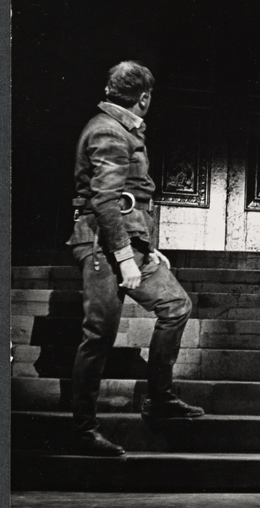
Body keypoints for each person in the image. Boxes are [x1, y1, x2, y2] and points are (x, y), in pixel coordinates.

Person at [67, 60, 204, 457]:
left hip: (126, 240)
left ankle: (159, 400)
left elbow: (130, 200)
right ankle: (83, 429)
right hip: (100, 244)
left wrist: (144, 245)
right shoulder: (110, 131)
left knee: (175, 305)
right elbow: (106, 202)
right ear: (144, 98)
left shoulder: (118, 127)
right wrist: (127, 257)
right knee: (99, 335)